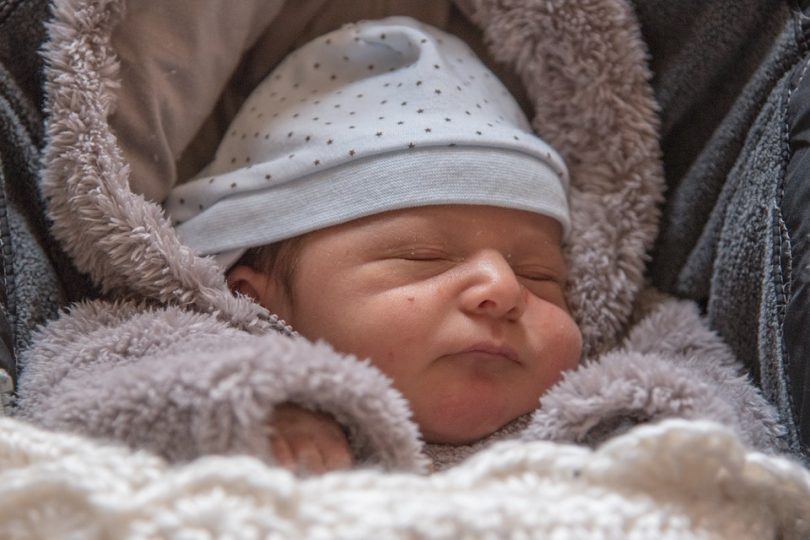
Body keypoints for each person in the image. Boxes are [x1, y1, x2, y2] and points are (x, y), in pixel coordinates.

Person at [161, 17, 779, 473]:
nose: (504, 289)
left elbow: (716, 404)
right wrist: (248, 410)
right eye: (423, 258)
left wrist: (656, 442)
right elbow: (121, 392)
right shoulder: (179, 354)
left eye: (541, 276)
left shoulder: (614, 366)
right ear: (259, 300)